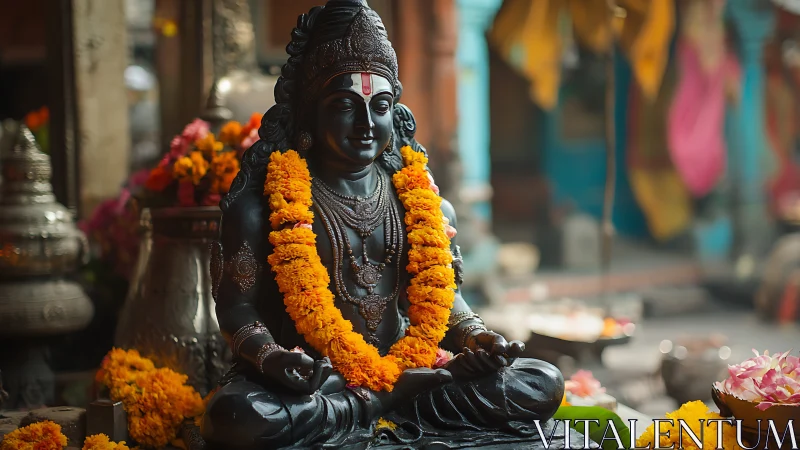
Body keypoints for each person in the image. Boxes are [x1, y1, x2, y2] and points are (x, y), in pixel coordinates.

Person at [202, 1, 575, 448]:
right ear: (309, 113)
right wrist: (271, 358)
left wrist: (478, 338)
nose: (365, 124)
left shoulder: (422, 200)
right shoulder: (260, 206)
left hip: (415, 368)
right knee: (237, 415)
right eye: (344, 106)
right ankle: (381, 405)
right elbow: (237, 308)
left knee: (542, 381)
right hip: (315, 382)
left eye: (379, 106)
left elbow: (446, 300)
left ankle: (391, 401)